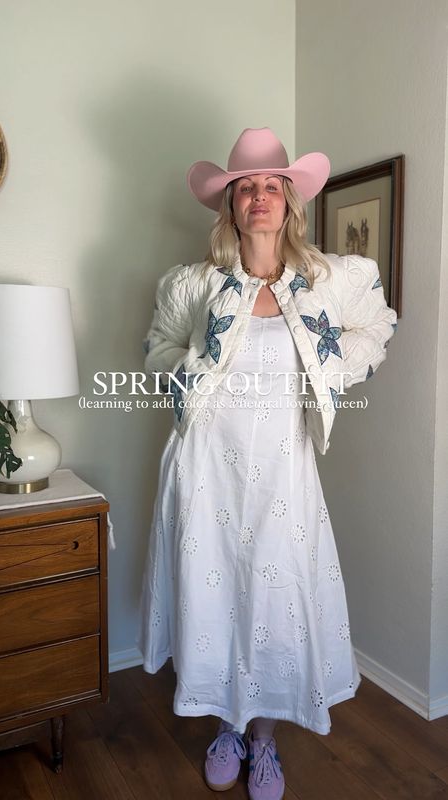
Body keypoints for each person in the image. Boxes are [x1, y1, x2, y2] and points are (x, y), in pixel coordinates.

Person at [137, 127, 397, 800]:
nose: (259, 197)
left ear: (289, 201)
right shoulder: (194, 284)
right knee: (216, 594)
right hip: (204, 471)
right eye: (245, 187)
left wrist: (334, 366)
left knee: (277, 601)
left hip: (284, 469)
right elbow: (158, 347)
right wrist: (188, 371)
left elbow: (378, 325)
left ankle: (265, 741)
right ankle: (226, 725)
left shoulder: (327, 280)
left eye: (271, 186)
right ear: (230, 205)